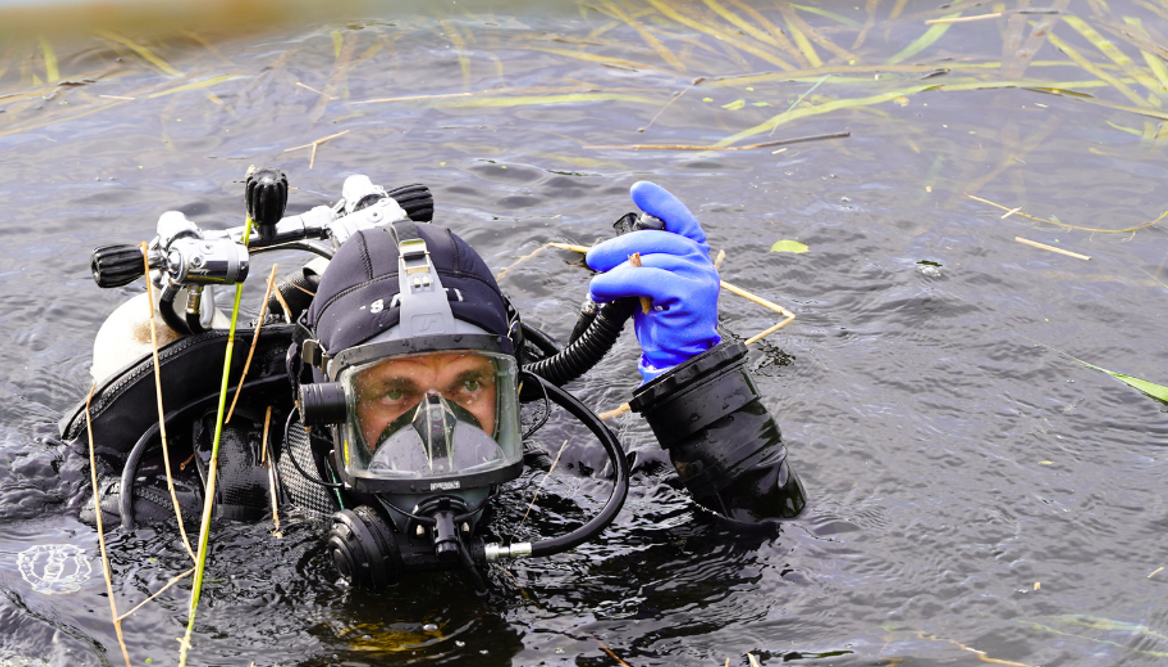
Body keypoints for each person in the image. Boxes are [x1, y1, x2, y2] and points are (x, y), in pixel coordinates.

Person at [62, 179, 805, 592]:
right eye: (394, 390)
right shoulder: (220, 505)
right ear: (324, 402)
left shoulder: (561, 473)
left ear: (514, 392)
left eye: (469, 384)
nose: (438, 426)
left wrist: (696, 385)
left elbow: (765, 542)